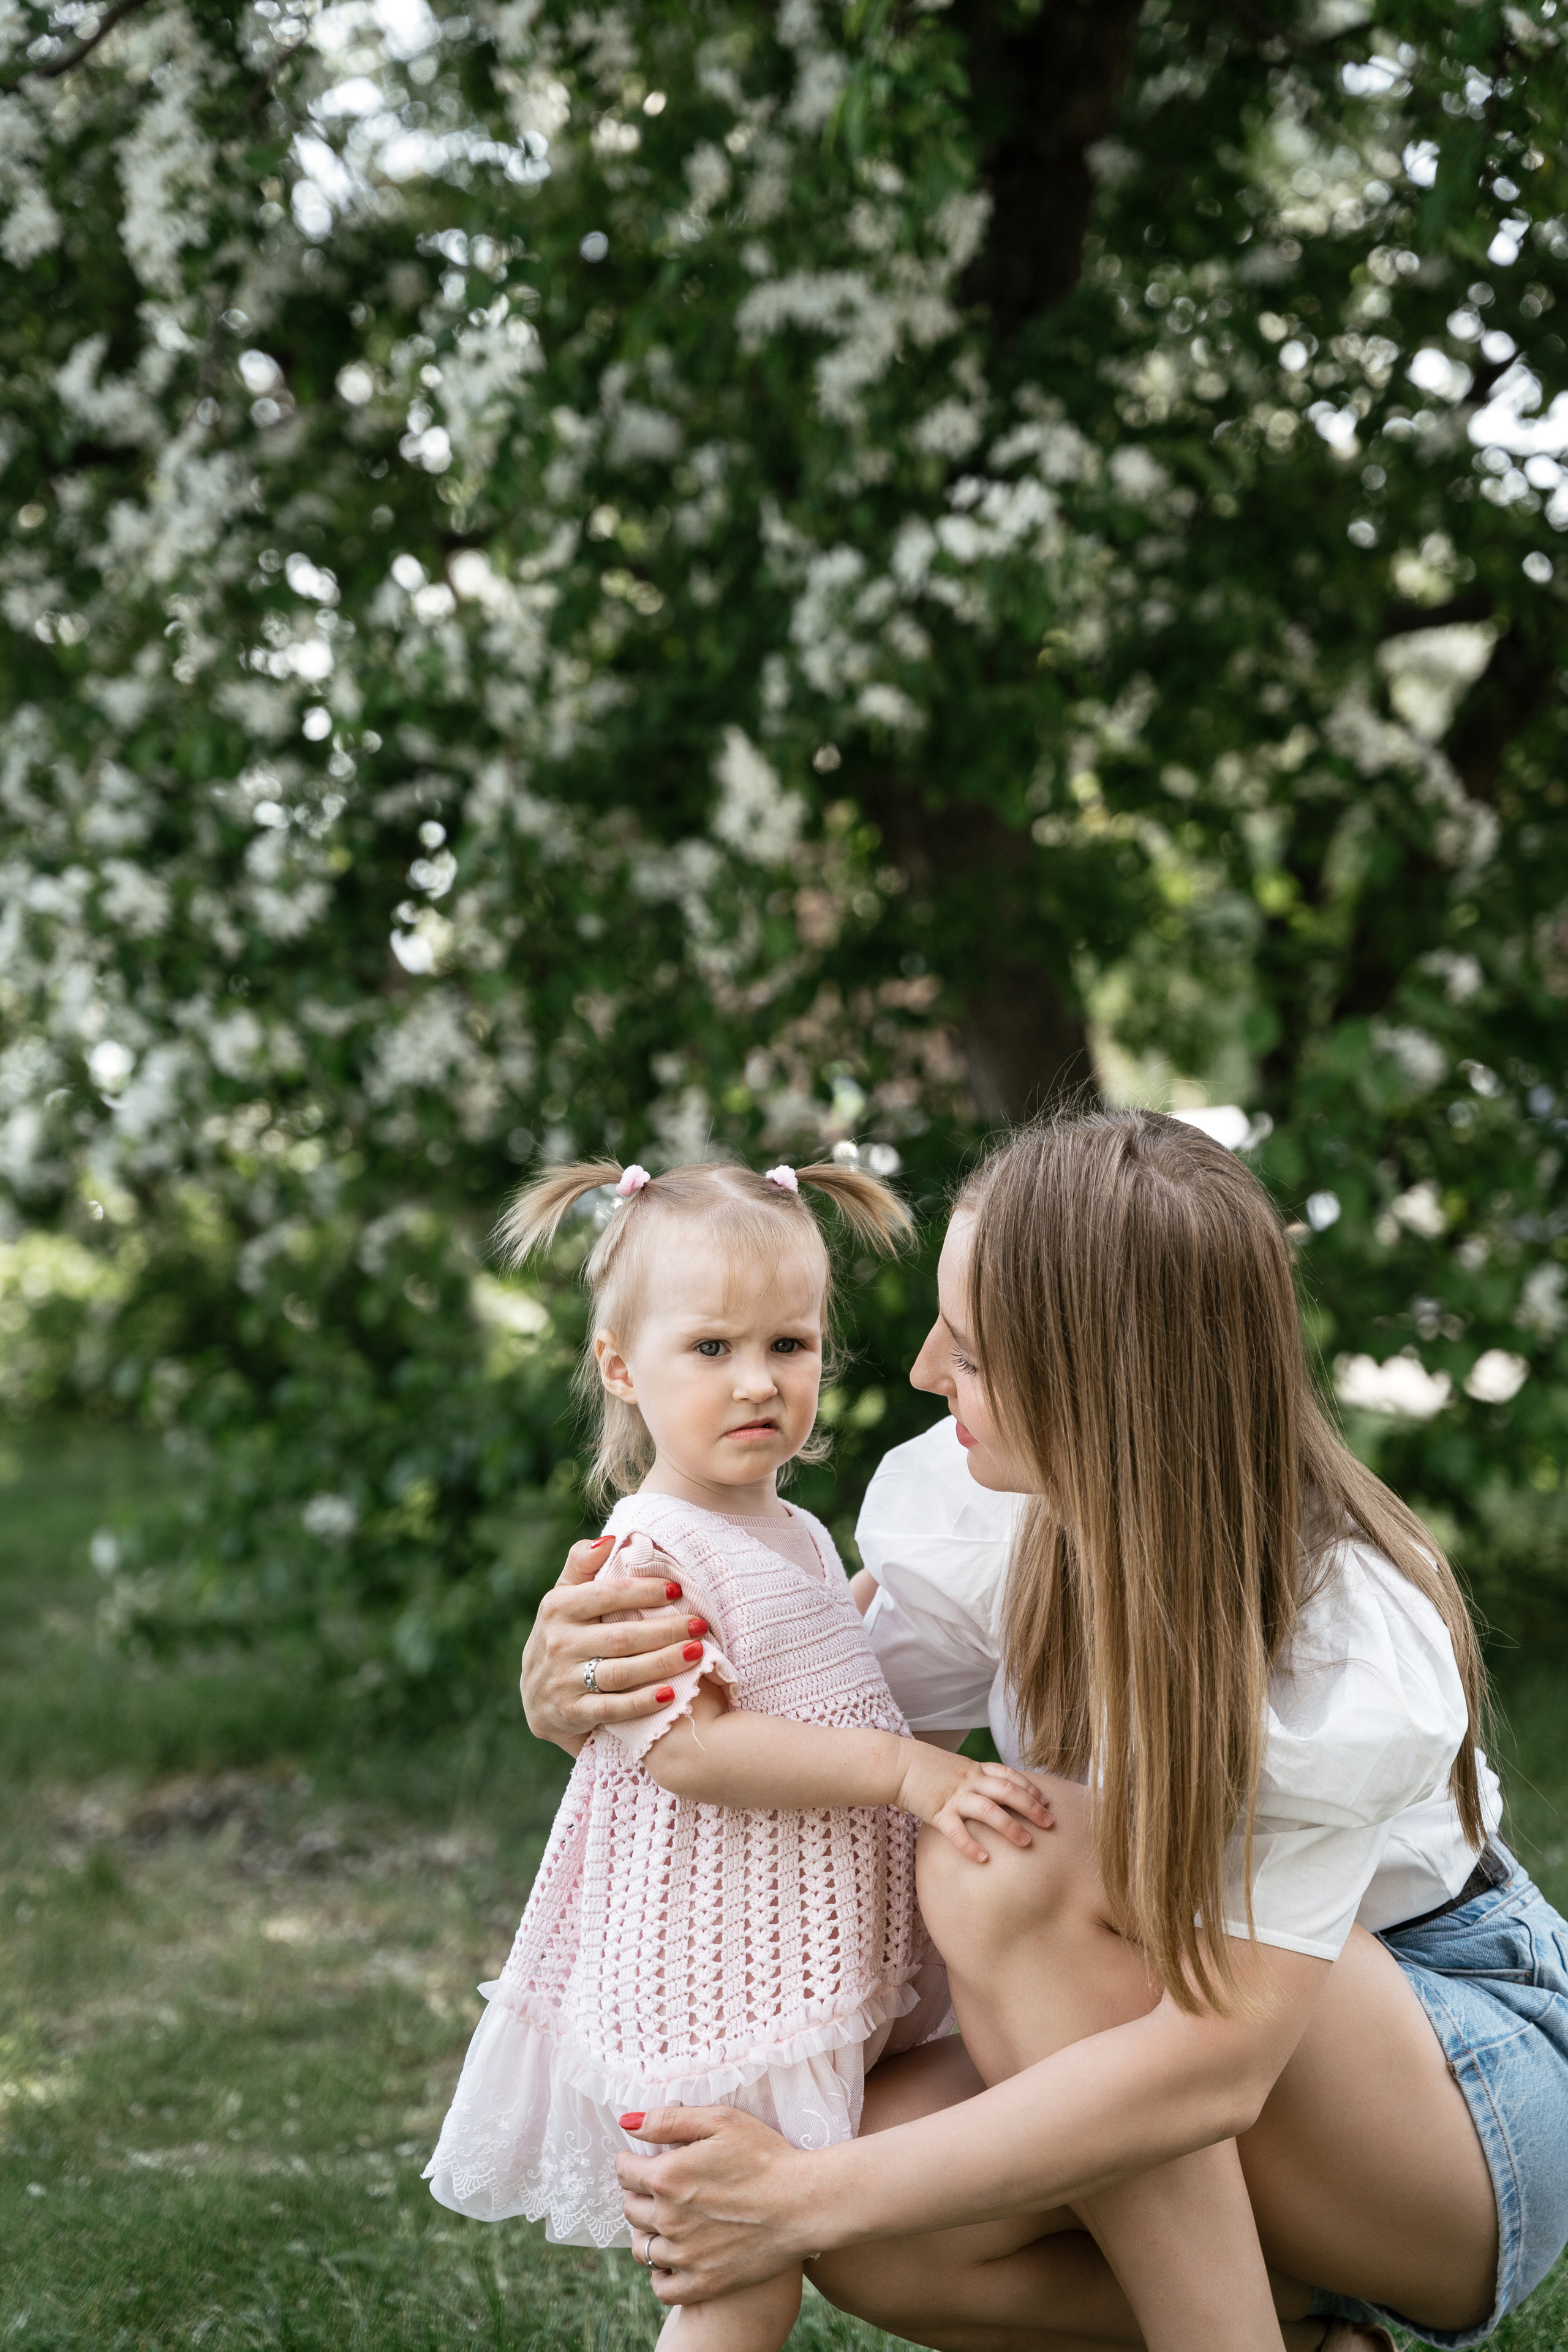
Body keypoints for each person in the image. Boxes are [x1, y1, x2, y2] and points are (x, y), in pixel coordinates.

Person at [521, 1112, 1568, 2352]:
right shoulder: (979, 1511)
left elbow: (1210, 2065)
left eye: (965, 1351)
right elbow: (799, 1737)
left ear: (1092, 1379)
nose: (917, 1370)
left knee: (1004, 1864)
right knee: (877, 2209)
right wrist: (587, 1698)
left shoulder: (1341, 1642)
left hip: (1453, 2100)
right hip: (1230, 2088)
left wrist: (791, 2199)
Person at [424, 1156, 1052, 2352]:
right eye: (708, 1350)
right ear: (621, 1367)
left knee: (777, 2257)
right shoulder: (648, 1553)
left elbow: (812, 1659)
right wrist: (906, 1772)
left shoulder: (792, 1529)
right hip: (715, 1982)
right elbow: (694, 1751)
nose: (757, 1382)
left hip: (789, 1962)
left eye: (790, 1345)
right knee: (734, 2283)